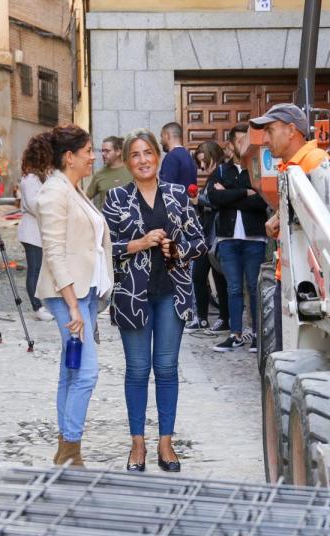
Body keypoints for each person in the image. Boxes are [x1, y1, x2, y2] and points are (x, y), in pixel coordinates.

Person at [103, 129, 206, 473]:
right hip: (132, 296)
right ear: (127, 161)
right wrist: (140, 243)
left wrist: (178, 249)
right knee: (137, 370)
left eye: (148, 153)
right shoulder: (116, 198)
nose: (143, 160)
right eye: (135, 154)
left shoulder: (177, 194)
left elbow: (200, 241)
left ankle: (166, 442)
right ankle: (137, 444)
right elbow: (106, 248)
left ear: (158, 157)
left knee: (166, 369)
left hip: (172, 295)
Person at [35, 124, 113, 468]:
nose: (93, 157)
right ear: (70, 157)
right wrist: (71, 306)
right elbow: (53, 251)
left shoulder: (72, 187)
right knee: (86, 372)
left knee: (72, 370)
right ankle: (70, 449)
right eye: (88, 151)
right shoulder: (54, 192)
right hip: (69, 294)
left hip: (84, 292)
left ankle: (67, 450)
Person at [208, 123, 269, 353]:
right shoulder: (223, 171)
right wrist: (244, 192)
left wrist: (229, 194)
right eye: (240, 141)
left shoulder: (257, 168)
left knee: (253, 287)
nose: (244, 145)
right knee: (234, 288)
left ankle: (255, 334)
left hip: (254, 239)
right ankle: (235, 334)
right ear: (232, 144)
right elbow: (214, 198)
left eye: (248, 140)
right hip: (228, 238)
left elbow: (262, 200)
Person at [249, 103, 330, 240]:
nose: (265, 140)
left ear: (291, 130)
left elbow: (323, 221)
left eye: (270, 131)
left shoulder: (316, 161)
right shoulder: (286, 166)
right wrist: (279, 219)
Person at [186, 141, 230, 333]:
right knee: (202, 276)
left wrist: (199, 200)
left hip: (215, 234)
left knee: (219, 279)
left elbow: (218, 202)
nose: (202, 166)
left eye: (204, 161)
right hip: (208, 234)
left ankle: (219, 319)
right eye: (200, 163)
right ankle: (204, 318)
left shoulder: (221, 173)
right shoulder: (215, 175)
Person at [17, 133, 54, 322]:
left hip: (40, 231)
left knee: (42, 270)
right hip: (31, 232)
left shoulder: (43, 175)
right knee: (35, 269)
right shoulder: (30, 179)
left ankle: (43, 304)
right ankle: (37, 307)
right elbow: (35, 205)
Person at [84, 136, 131, 207]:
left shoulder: (132, 171)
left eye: (107, 151)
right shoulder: (99, 175)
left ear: (118, 152)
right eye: (102, 151)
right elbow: (85, 199)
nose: (103, 154)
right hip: (105, 217)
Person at [158, 122, 197, 189]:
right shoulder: (188, 156)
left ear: (167, 136)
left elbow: (166, 187)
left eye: (162, 137)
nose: (160, 141)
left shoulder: (171, 157)